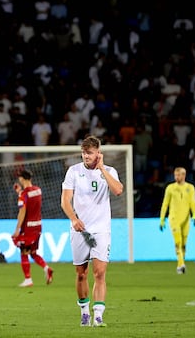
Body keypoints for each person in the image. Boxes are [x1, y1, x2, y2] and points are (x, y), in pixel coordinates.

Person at [60, 135, 123, 328]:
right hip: (80, 230)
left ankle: (98, 316)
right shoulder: (74, 171)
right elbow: (65, 201)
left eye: (89, 153)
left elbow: (119, 190)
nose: (85, 156)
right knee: (81, 273)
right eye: (83, 152)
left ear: (98, 153)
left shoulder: (109, 171)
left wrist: (102, 168)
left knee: (100, 273)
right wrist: (74, 219)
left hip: (101, 229)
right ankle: (84, 312)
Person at [13, 170, 53, 287]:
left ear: (22, 179)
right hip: (38, 225)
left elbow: (22, 212)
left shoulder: (23, 195)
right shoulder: (38, 190)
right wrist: (19, 192)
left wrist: (17, 229)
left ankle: (28, 279)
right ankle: (47, 268)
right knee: (33, 252)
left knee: (24, 252)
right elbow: (29, 198)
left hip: (28, 227)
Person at [158, 166, 195, 274]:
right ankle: (181, 265)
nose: (176, 177)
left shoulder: (190, 188)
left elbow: (193, 203)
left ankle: (181, 263)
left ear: (183, 175)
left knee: (184, 244)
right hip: (174, 219)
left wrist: (194, 215)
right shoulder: (170, 188)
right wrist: (162, 219)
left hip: (186, 219)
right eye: (175, 175)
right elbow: (165, 204)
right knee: (178, 242)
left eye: (178, 175)